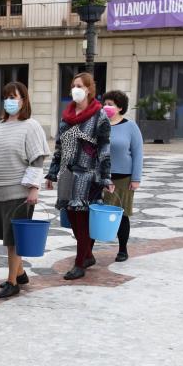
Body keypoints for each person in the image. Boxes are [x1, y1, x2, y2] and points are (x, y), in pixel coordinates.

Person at [0, 82, 51, 298]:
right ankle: (19, 273)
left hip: (18, 193)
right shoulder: (0, 126)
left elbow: (36, 160)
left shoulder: (31, 126)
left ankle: (13, 282)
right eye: (7, 97)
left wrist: (34, 189)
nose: (10, 101)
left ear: (24, 100)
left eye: (14, 96)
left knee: (13, 240)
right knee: (5, 237)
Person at [46, 73, 114, 280]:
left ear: (89, 90)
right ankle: (88, 255)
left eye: (80, 86)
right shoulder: (66, 116)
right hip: (68, 174)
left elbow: (104, 148)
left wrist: (106, 177)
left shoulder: (99, 116)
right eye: (73, 85)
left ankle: (79, 263)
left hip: (87, 175)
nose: (75, 89)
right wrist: (52, 172)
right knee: (73, 220)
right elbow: (59, 147)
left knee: (83, 220)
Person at [101, 90, 143, 262]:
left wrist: (136, 178)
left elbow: (138, 152)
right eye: (105, 103)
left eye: (110, 104)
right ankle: (88, 252)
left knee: (122, 215)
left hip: (124, 179)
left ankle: (123, 249)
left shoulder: (130, 126)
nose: (106, 107)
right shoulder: (100, 125)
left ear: (119, 107)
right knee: (97, 214)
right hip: (102, 178)